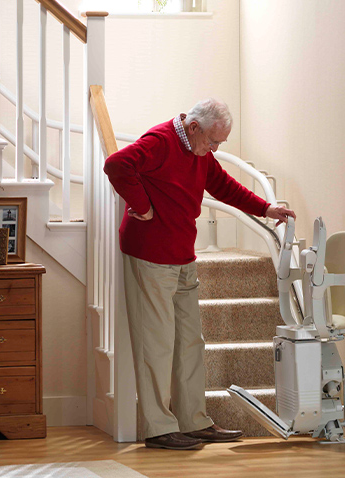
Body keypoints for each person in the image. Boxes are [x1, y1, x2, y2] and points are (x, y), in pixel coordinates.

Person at [104, 98, 295, 450]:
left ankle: (193, 420)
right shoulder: (160, 142)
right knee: (156, 343)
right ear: (193, 128)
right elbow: (117, 165)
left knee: (191, 342)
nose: (215, 148)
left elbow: (222, 186)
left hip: (182, 254)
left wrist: (266, 208)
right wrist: (142, 206)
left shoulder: (199, 151)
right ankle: (159, 428)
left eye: (220, 143)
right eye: (213, 141)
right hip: (151, 254)